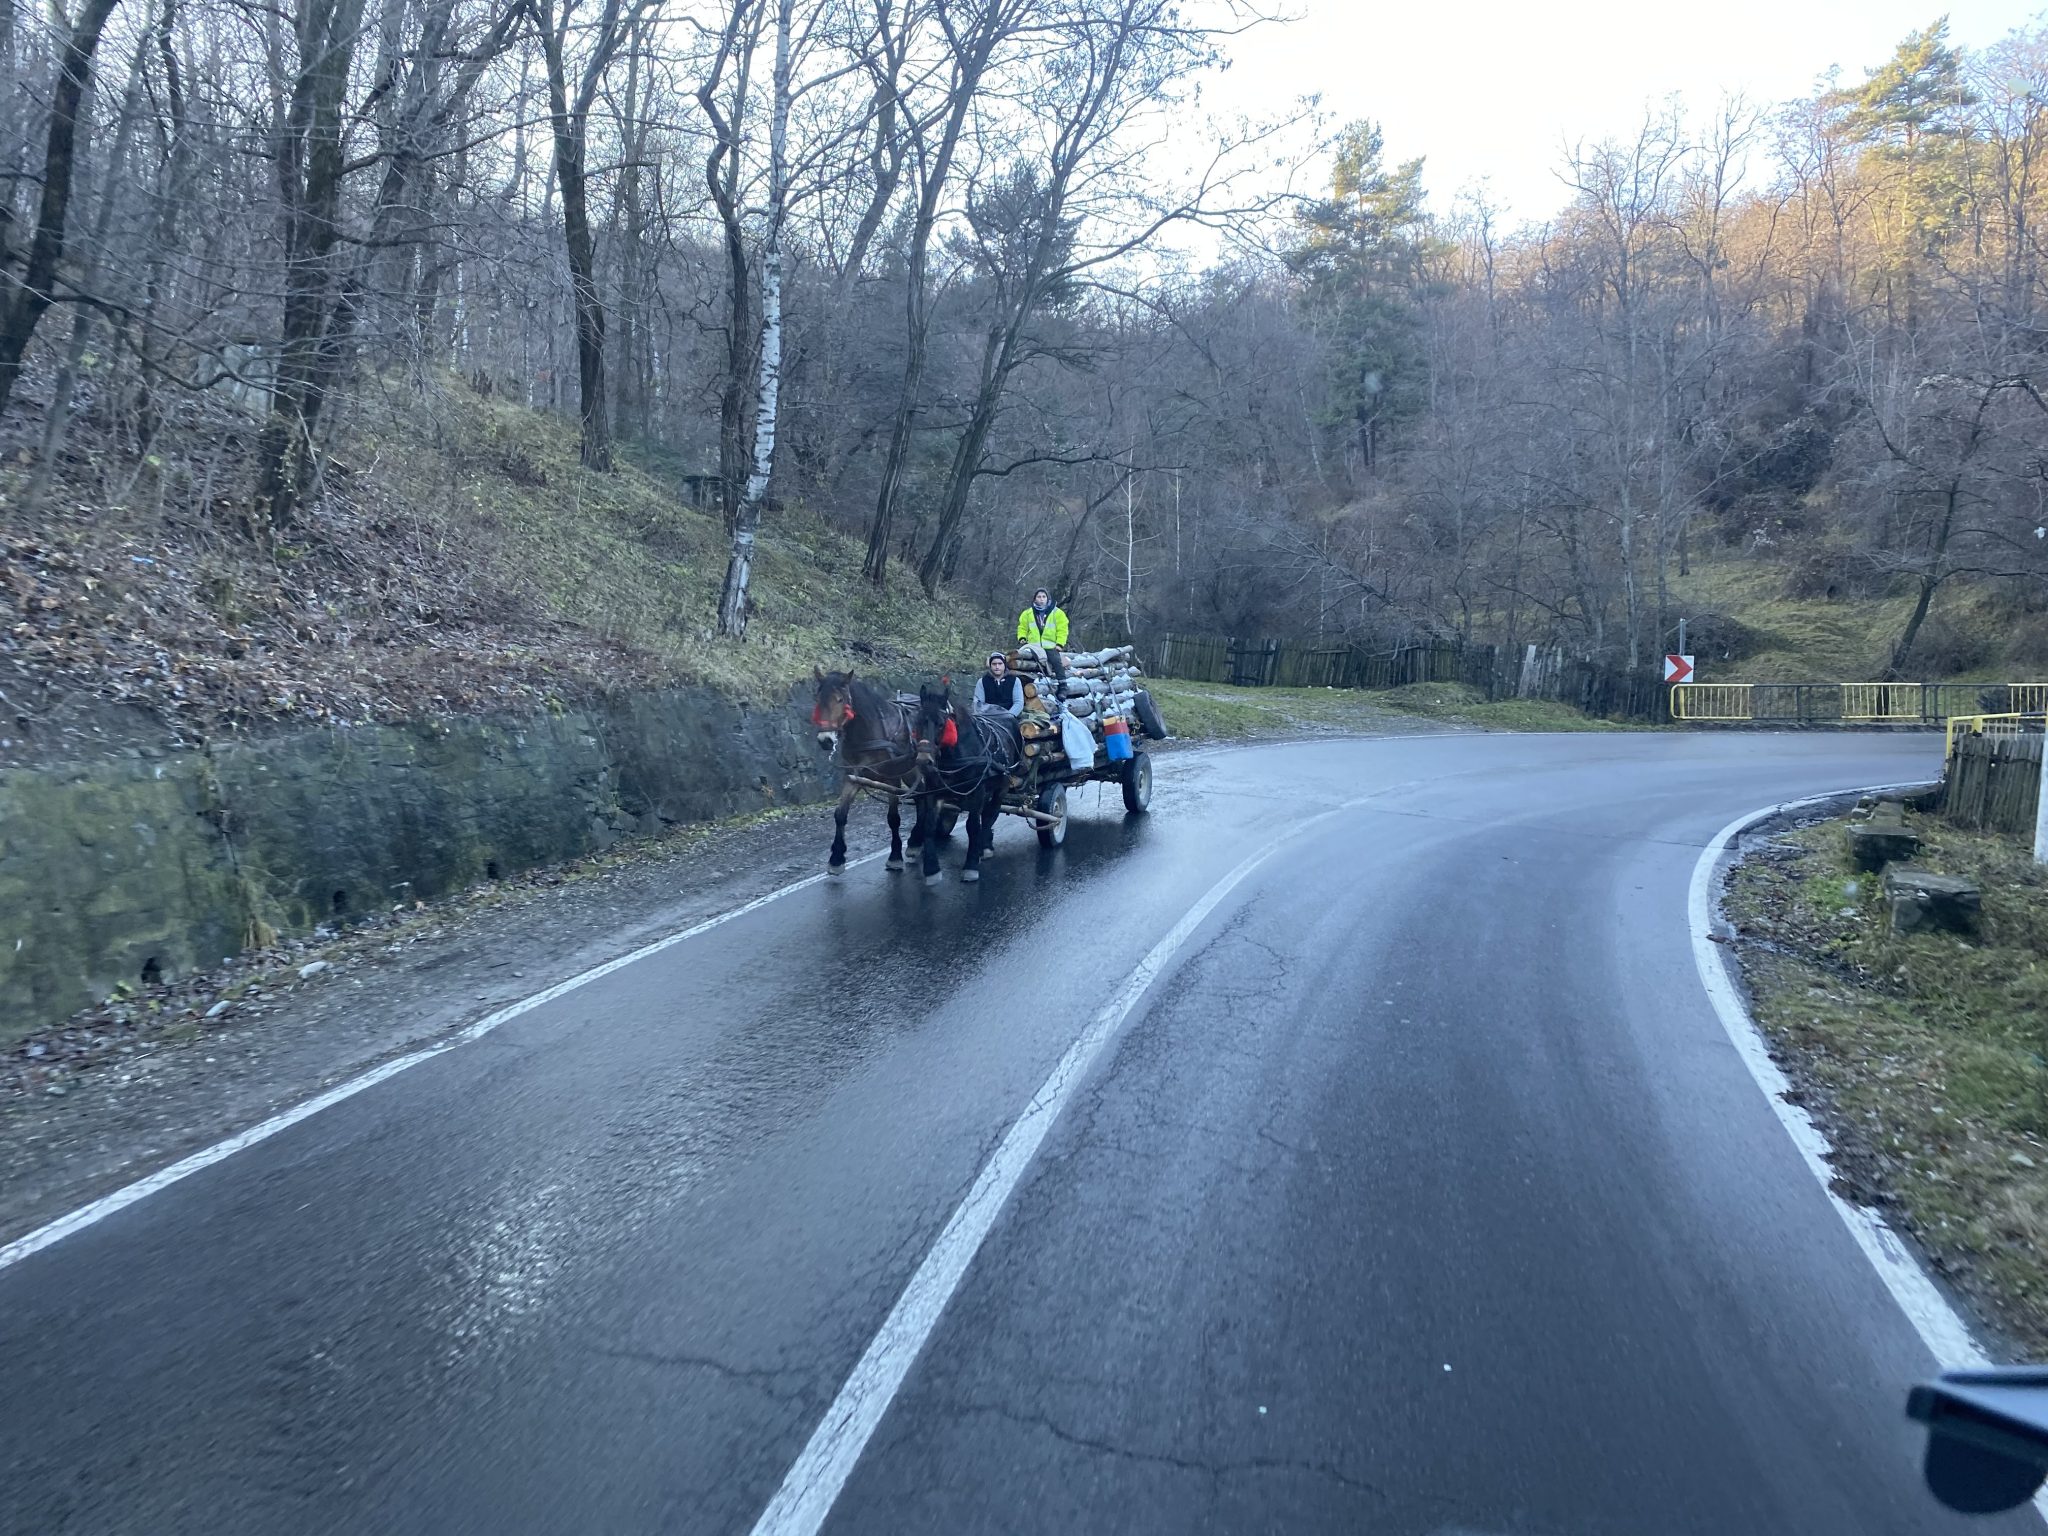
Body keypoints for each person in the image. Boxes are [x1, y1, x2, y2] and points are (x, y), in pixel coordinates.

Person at [1017, 588, 1069, 676]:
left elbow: (1063, 630)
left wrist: (1060, 644)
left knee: (1056, 662)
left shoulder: (1057, 613)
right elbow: (1022, 627)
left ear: (1048, 599)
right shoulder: (1027, 613)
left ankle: (1062, 683)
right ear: (1035, 599)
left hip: (1050, 646)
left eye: (1044, 597)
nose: (1041, 599)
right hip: (1033, 646)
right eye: (1039, 597)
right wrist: (1022, 637)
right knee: (1022, 661)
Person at [974, 651, 1025, 718]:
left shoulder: (1015, 681)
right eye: (994, 664)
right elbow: (978, 704)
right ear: (990, 665)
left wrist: (1009, 716)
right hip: (988, 717)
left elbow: (1018, 703)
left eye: (1000, 664)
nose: (997, 666)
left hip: (1010, 716)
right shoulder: (982, 682)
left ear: (1004, 665)